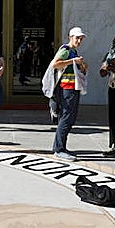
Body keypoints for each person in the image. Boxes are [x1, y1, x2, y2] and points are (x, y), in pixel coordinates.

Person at [50, 26, 87, 161]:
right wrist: (73, 61)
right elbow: (55, 64)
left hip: (72, 88)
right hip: (67, 89)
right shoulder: (65, 50)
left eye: (81, 38)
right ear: (70, 37)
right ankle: (59, 149)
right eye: (77, 38)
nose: (79, 40)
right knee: (67, 118)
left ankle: (60, 147)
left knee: (67, 118)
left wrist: (81, 66)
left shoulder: (73, 51)